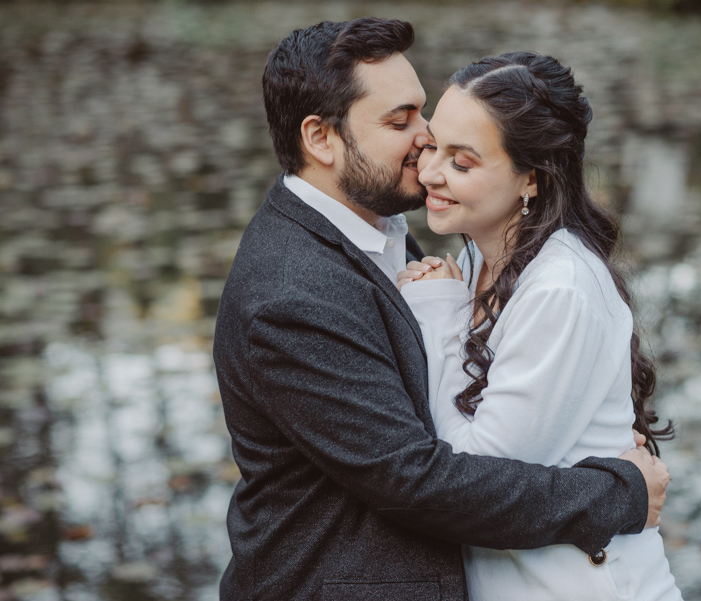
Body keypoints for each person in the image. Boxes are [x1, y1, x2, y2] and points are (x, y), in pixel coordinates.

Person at [213, 18, 670, 601]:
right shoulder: (289, 294)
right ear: (320, 138)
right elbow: (416, 479)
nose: (426, 141)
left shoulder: (384, 226)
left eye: (422, 114)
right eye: (400, 122)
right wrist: (619, 492)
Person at [398, 52, 682, 600]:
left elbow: (478, 479)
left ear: (531, 176)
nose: (429, 173)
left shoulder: (559, 289)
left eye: (462, 162)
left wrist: (435, 315)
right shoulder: (483, 260)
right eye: (432, 146)